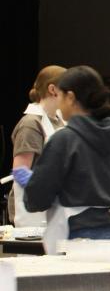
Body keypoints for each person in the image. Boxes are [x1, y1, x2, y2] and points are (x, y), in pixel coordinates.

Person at [11, 65, 110, 252]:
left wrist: (33, 183)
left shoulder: (64, 140)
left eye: (61, 97)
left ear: (71, 97)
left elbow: (37, 199)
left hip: (75, 236)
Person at [8, 65, 65, 227]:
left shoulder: (60, 121)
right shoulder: (31, 124)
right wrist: (47, 190)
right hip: (33, 211)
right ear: (53, 89)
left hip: (55, 208)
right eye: (67, 90)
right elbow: (20, 172)